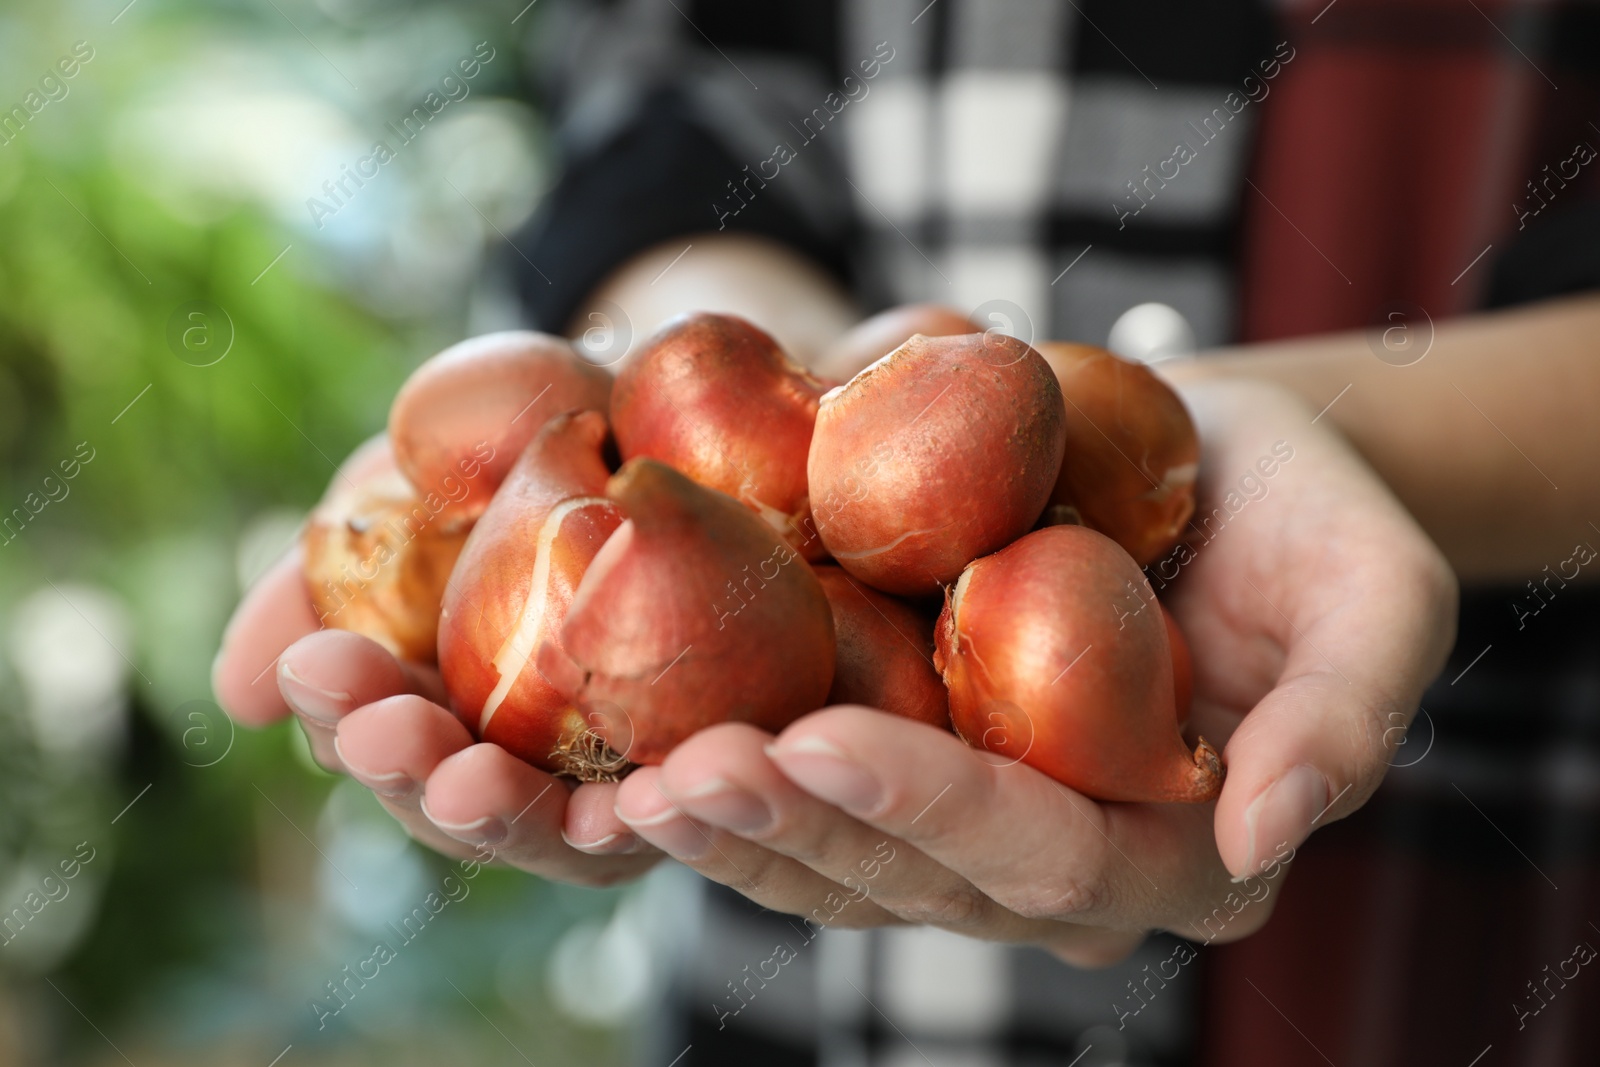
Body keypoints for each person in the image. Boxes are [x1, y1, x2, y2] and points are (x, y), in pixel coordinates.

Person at [215, 1, 1600, 1063]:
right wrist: (700, 353)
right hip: (803, 976)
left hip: (1478, 905)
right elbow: (675, 97)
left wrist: (1361, 444)